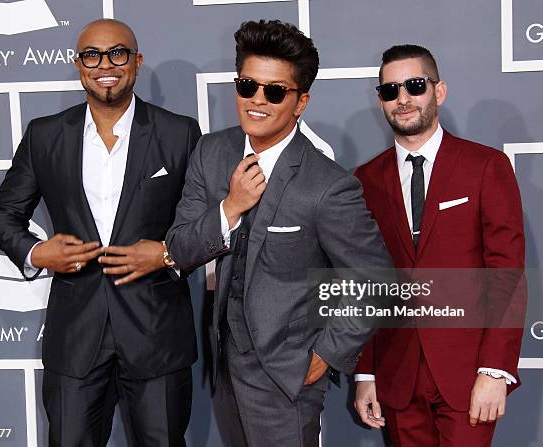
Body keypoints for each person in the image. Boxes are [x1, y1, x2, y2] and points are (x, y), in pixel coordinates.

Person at [166, 20, 392, 447]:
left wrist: (325, 356)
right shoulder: (211, 152)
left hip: (289, 375)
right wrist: (229, 208)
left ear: (300, 101)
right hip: (224, 366)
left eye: (274, 92)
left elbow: (374, 278)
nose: (256, 101)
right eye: (247, 85)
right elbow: (178, 249)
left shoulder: (326, 183)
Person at [0, 19, 201, 447]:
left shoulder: (180, 133)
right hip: (75, 336)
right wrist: (36, 254)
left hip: (156, 332)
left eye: (118, 53)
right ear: (79, 64)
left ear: (136, 62)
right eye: (92, 55)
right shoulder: (45, 135)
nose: (106, 64)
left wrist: (165, 254)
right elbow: (4, 213)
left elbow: (201, 223)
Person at [353, 44, 525, 446]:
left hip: (468, 374)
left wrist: (495, 370)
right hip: (396, 375)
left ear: (439, 91)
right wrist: (366, 373)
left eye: (414, 85)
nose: (403, 99)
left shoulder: (485, 167)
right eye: (390, 90)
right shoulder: (365, 179)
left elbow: (508, 275)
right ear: (380, 100)